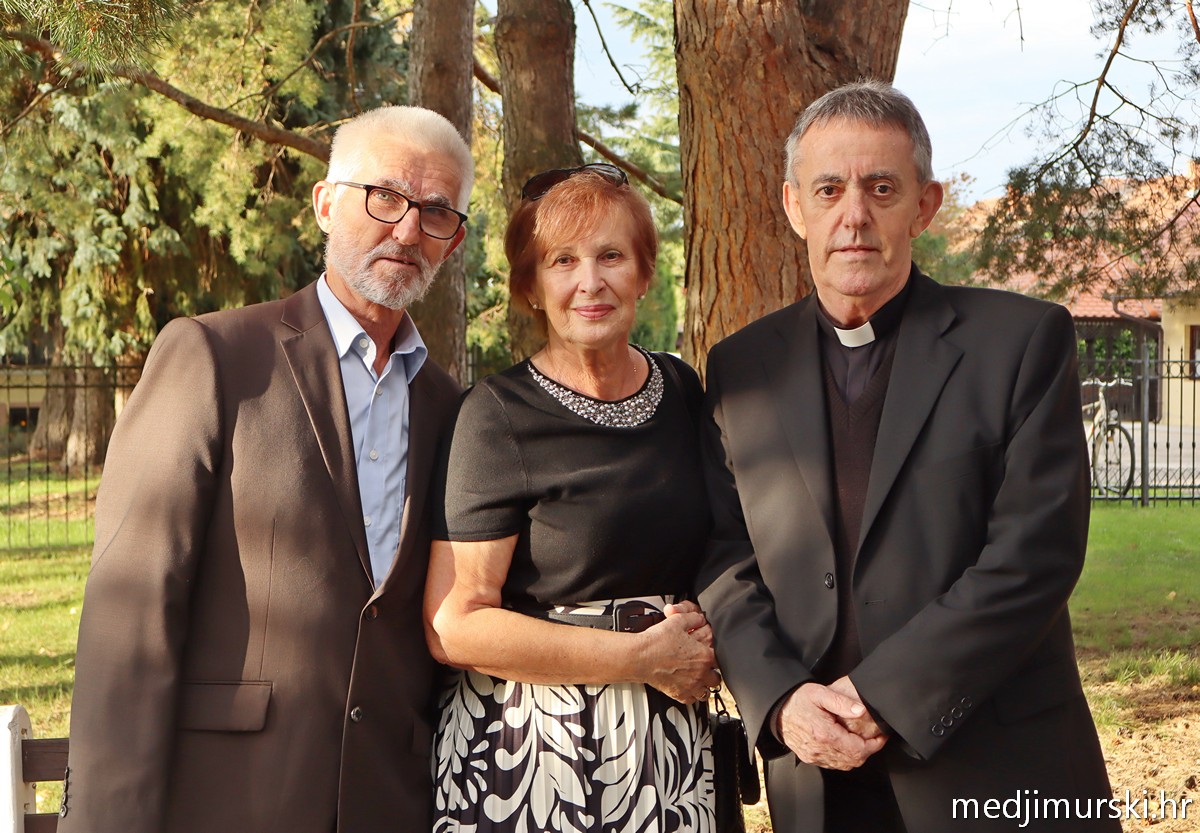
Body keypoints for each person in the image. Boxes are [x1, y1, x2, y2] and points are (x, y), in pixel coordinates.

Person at [698, 81, 1118, 833]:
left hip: (994, 772)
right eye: (829, 188)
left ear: (925, 205)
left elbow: (1035, 555)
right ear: (794, 206)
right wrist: (781, 698)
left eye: (881, 188)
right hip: (816, 777)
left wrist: (882, 696)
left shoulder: (1019, 343)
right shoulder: (740, 366)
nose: (854, 214)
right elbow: (726, 558)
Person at [59, 105, 473, 833]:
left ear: (454, 239)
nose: (408, 230)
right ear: (325, 204)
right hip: (229, 799)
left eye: (435, 211)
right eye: (385, 196)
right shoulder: (214, 357)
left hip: (390, 801)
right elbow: (131, 614)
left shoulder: (453, 408)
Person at [424, 163, 719, 833]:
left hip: (670, 740)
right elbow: (453, 624)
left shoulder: (682, 390)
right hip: (533, 746)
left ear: (644, 274)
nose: (590, 281)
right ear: (532, 287)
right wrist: (639, 658)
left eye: (611, 255)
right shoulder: (495, 415)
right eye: (563, 261)